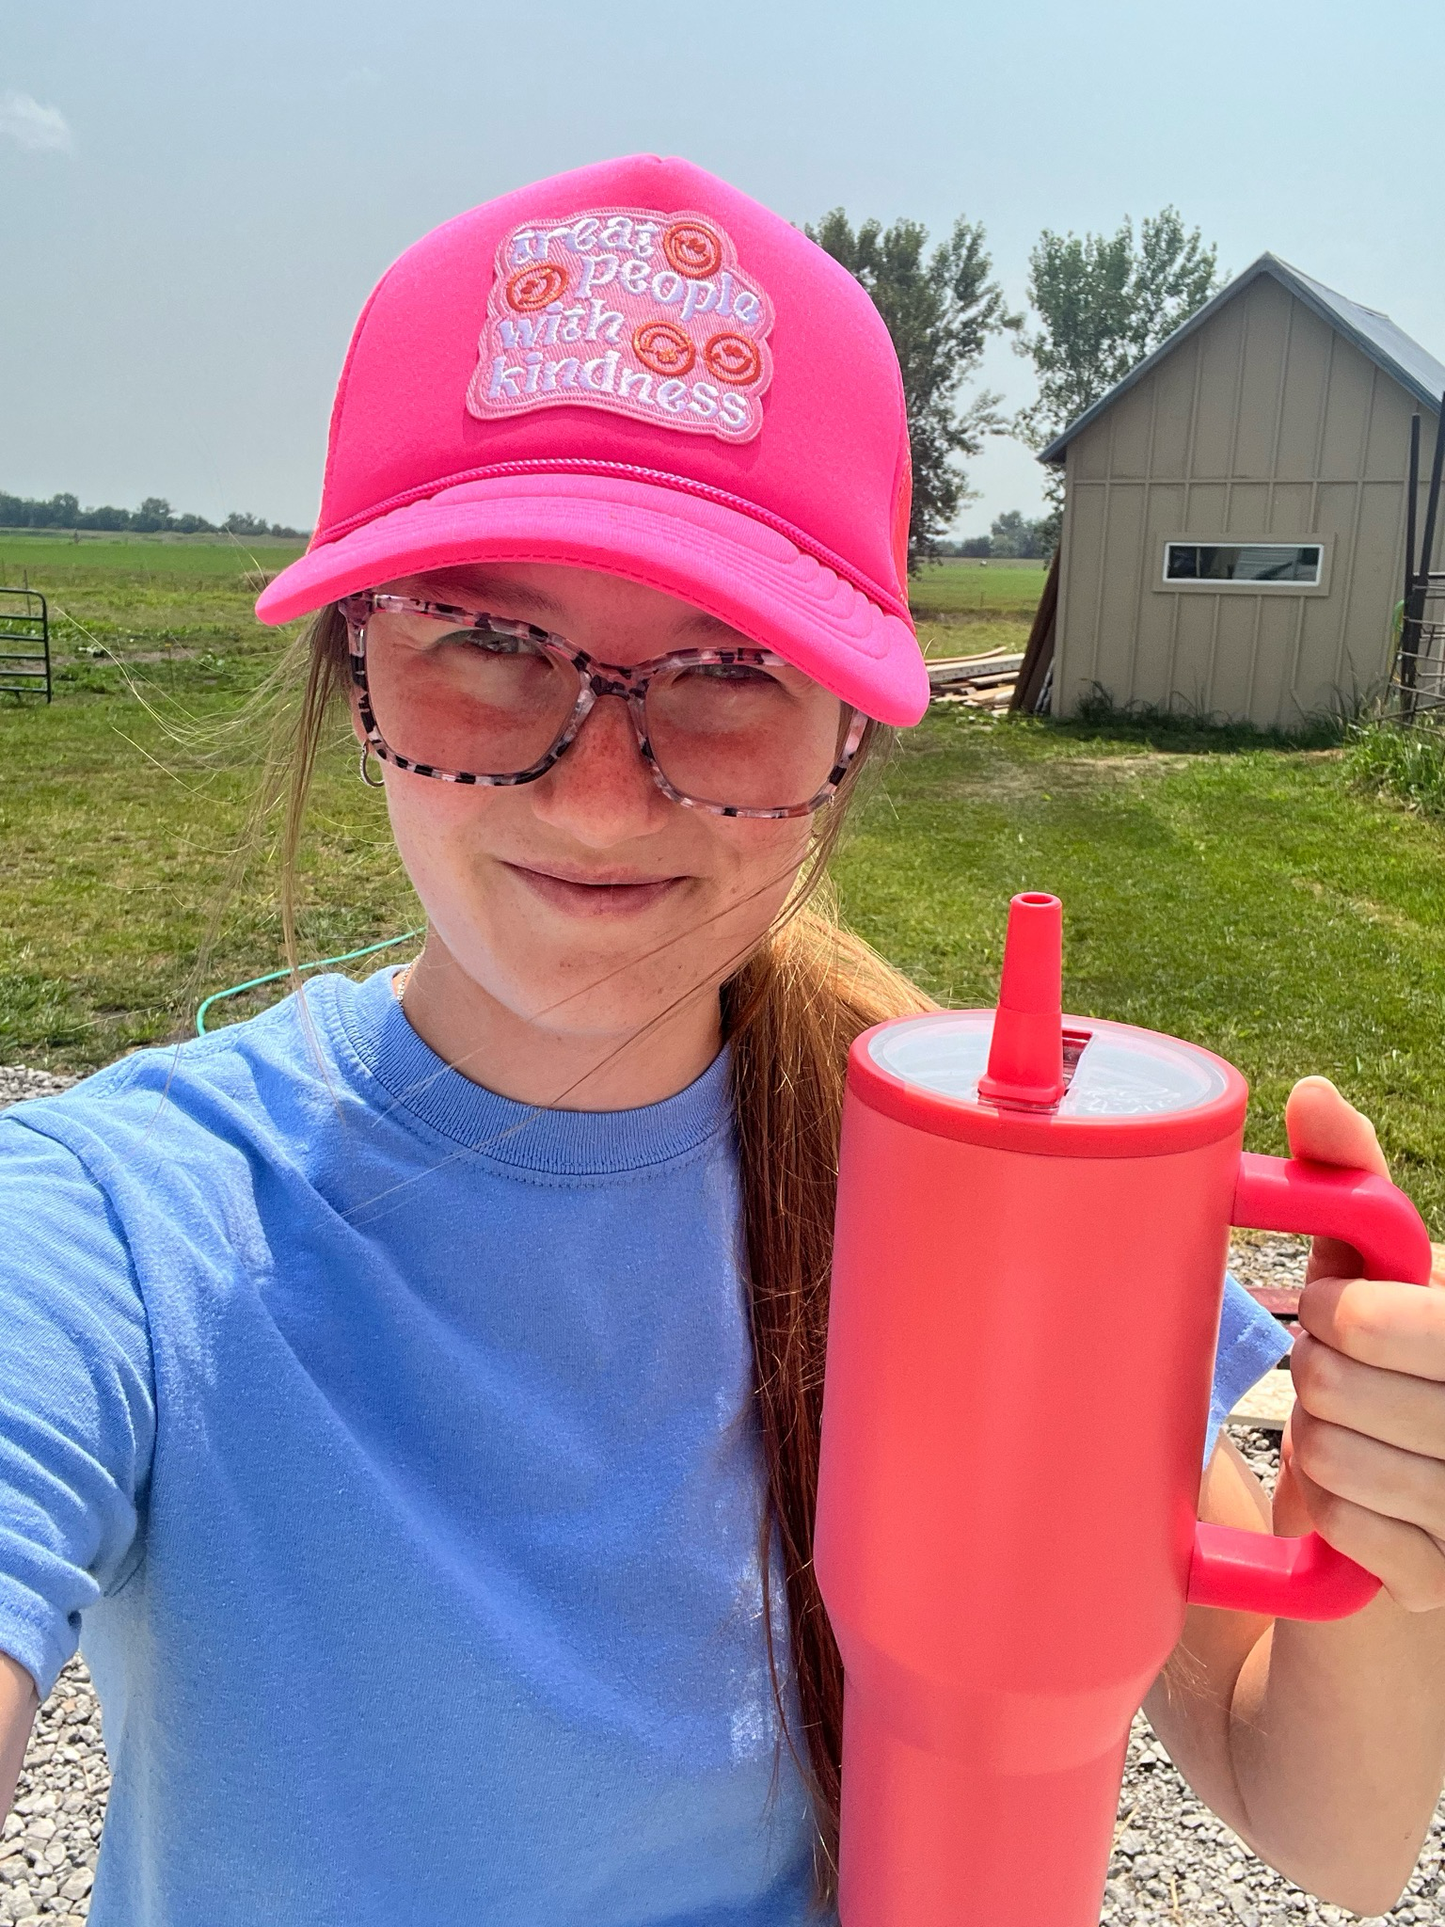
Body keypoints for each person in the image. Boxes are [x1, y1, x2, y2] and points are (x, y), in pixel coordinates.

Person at [0, 154, 1442, 1927]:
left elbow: (1337, 1831)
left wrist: (1394, 1522)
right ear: (352, 674)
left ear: (853, 731)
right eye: (487, 639)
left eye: (730, 665)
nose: (599, 788)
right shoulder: (122, 1225)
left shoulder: (966, 1191)